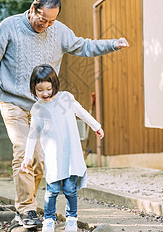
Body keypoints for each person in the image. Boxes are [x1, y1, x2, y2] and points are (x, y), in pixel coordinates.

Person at [0, 0, 128, 228]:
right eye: (43, 19)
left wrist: (112, 44)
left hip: (43, 108)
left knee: (41, 162)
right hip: (13, 103)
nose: (46, 25)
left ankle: (25, 207)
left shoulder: (59, 31)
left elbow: (84, 46)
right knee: (23, 150)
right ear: (33, 9)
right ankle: (26, 210)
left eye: (52, 21)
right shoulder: (10, 27)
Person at [21, 64, 104, 232]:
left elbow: (82, 113)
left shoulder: (66, 99)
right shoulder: (37, 109)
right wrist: (27, 157)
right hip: (52, 157)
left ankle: (72, 218)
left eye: (48, 89)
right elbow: (32, 134)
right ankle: (49, 220)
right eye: (40, 90)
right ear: (33, 89)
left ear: (54, 85)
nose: (45, 93)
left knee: (69, 189)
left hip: (70, 154)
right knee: (51, 191)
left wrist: (96, 126)